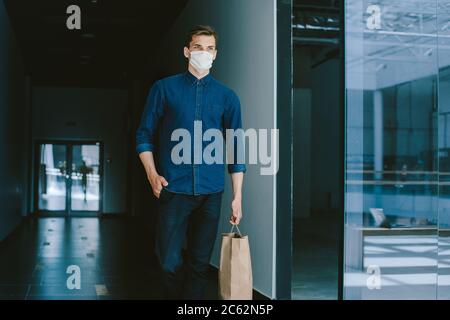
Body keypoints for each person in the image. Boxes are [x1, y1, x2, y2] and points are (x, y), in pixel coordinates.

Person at [135, 25, 246, 299]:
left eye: (209, 49)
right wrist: (151, 174)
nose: (203, 53)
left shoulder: (227, 97)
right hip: (173, 190)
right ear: (187, 51)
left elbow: (235, 148)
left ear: (216, 54)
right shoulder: (163, 89)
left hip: (211, 192)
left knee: (199, 265)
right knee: (168, 263)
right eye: (198, 47)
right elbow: (144, 133)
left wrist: (237, 196)